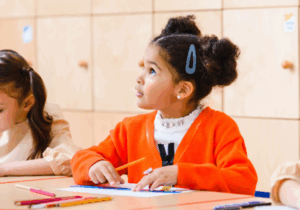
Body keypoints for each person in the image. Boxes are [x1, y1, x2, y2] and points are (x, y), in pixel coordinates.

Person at [71, 15, 258, 195]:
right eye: (142, 67)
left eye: (152, 71)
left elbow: (243, 181)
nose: (139, 78)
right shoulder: (130, 129)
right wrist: (93, 165)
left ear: (183, 90)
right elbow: (82, 158)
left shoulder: (220, 127)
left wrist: (180, 174)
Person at [0, 49, 80, 177]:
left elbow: (68, 157)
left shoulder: (47, 115)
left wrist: (3, 169)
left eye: (0, 110)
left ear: (27, 103)